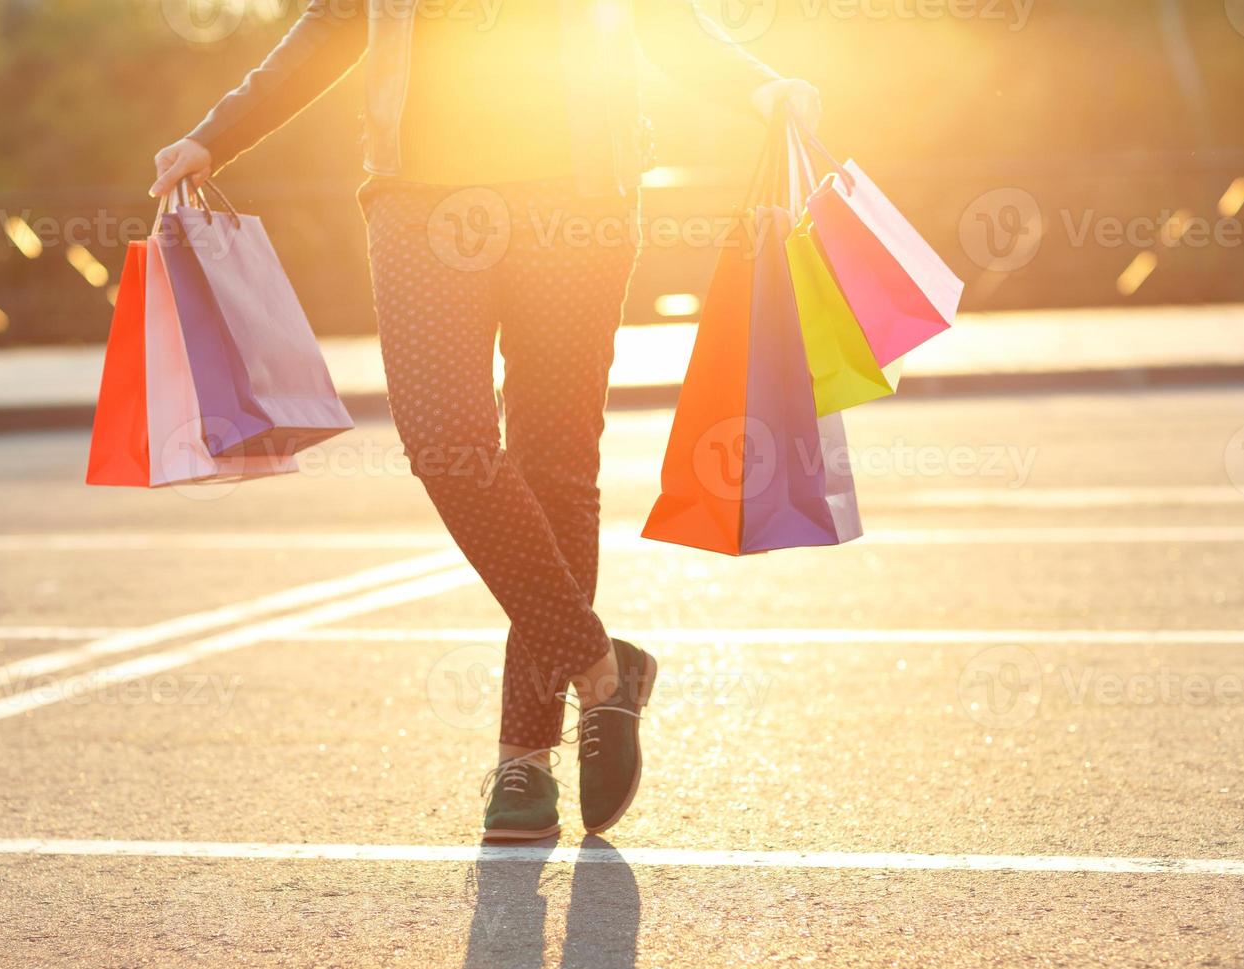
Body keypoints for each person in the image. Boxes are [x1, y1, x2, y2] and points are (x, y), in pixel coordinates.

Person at [151, 0, 820, 841]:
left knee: (556, 468)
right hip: (419, 201)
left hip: (577, 199)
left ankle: (524, 758)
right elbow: (332, 22)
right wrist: (219, 133)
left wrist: (758, 86)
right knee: (442, 439)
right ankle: (604, 671)